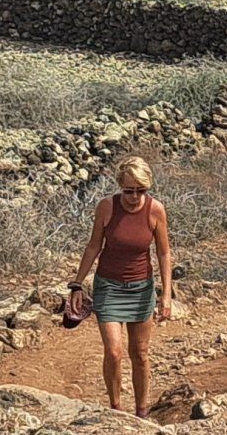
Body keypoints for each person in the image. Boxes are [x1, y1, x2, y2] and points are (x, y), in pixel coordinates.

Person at [71, 155, 172, 414]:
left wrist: (166, 294)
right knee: (114, 352)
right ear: (120, 186)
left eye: (141, 191)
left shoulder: (155, 210)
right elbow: (94, 245)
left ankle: (141, 411)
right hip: (108, 287)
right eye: (129, 190)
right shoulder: (106, 208)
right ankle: (115, 409)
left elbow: (163, 253)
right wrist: (77, 283)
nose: (134, 196)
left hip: (141, 289)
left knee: (140, 353)